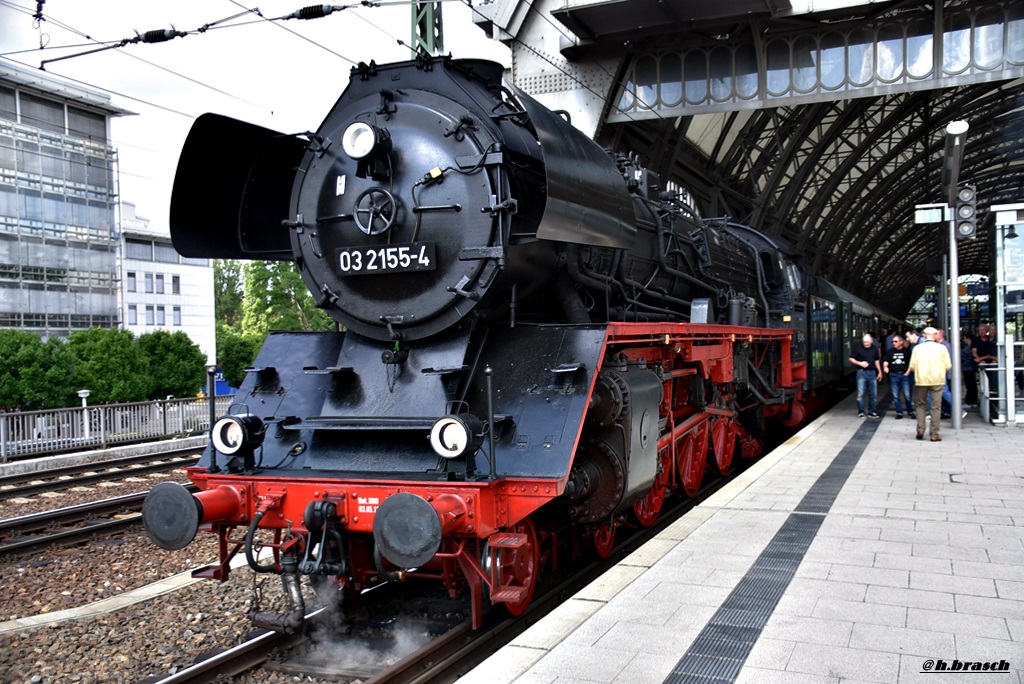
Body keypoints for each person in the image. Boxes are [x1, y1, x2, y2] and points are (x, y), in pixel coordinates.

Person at [907, 326, 952, 441]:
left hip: (921, 380)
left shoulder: (917, 348)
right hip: (938, 380)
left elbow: (912, 366)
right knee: (936, 407)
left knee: (920, 405)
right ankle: (934, 434)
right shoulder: (942, 348)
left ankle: (920, 429)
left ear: (924, 335)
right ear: (935, 335)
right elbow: (948, 365)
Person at [850, 332, 882, 418]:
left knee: (873, 394)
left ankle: (872, 411)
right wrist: (860, 363)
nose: (866, 344)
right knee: (860, 393)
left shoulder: (874, 348)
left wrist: (880, 371)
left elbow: (876, 360)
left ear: (871, 341)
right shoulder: (858, 348)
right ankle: (861, 411)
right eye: (864, 342)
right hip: (861, 372)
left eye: (867, 342)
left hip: (872, 372)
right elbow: (851, 358)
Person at [884, 333, 912, 418]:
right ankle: (899, 412)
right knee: (895, 395)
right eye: (893, 342)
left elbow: (911, 363)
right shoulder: (890, 351)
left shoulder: (907, 351)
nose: (893, 343)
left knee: (907, 395)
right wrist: (885, 367)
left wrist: (908, 372)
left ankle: (910, 411)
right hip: (894, 375)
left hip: (904, 375)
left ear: (901, 342)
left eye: (896, 341)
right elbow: (886, 361)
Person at [935, 329, 954, 418]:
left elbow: (949, 360)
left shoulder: (945, 345)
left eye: (936, 333)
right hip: (941, 372)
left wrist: (949, 374)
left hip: (944, 373)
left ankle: (956, 409)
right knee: (944, 392)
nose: (934, 335)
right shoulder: (938, 345)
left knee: (945, 392)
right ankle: (946, 411)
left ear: (941, 335)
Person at [962, 330, 978, 408]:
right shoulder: (973, 347)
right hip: (972, 368)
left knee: (969, 385)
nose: (963, 340)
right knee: (973, 385)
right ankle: (974, 401)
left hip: (967, 368)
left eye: (964, 338)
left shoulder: (967, 349)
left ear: (968, 339)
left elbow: (961, 358)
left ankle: (968, 402)